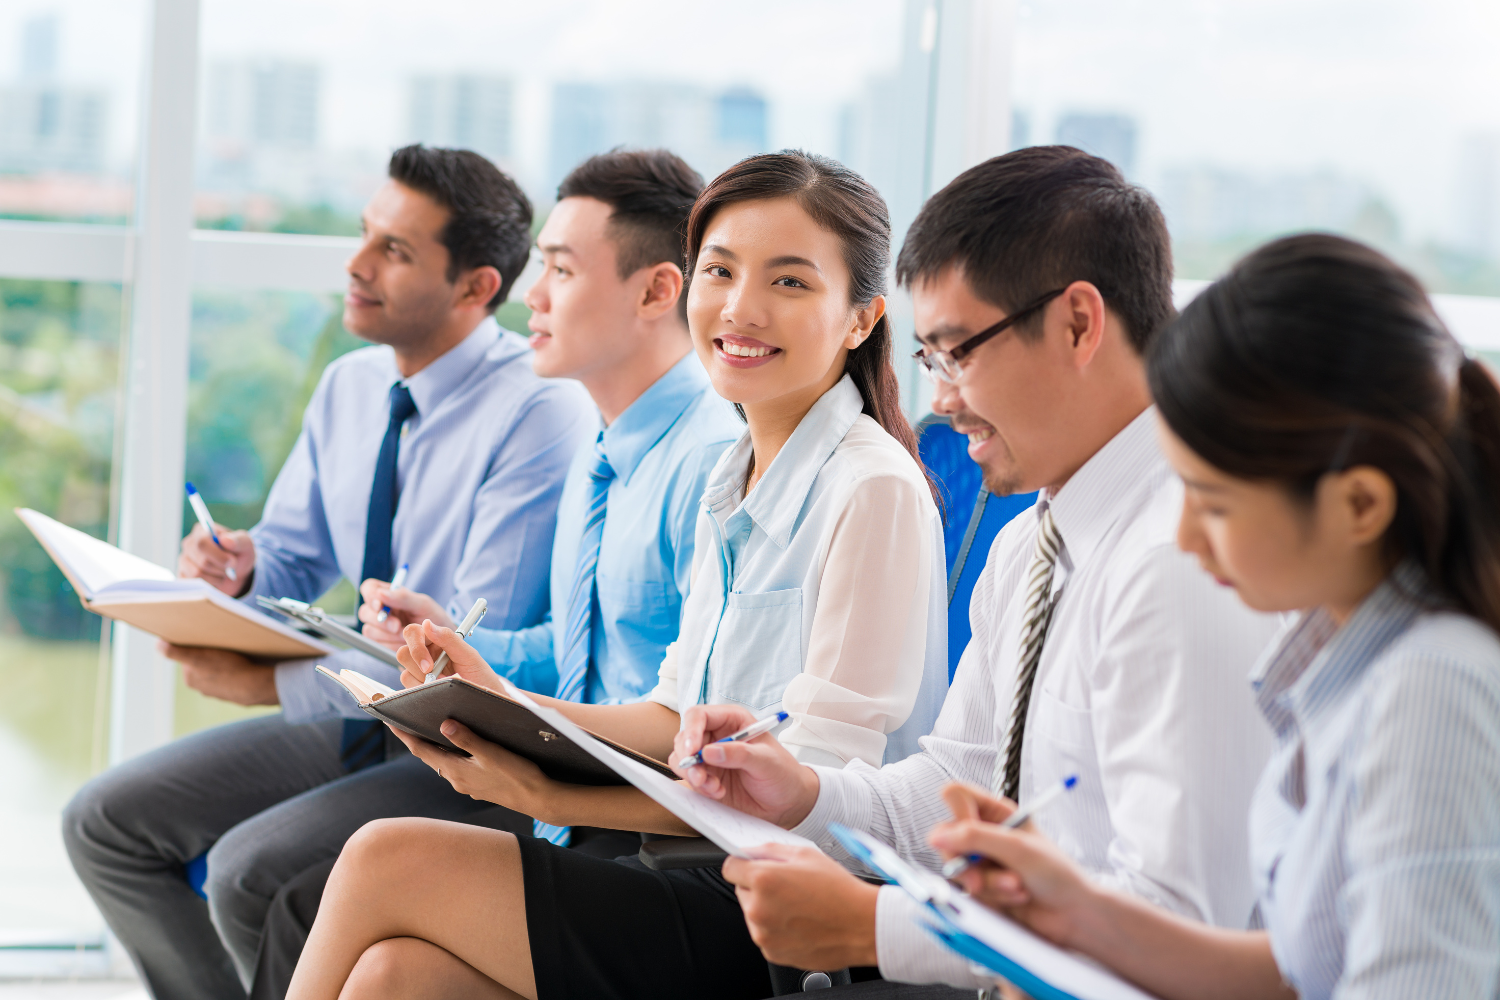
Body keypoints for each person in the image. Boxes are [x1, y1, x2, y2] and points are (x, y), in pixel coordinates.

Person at [284, 150, 950, 1000]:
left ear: (859, 320)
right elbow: (671, 711)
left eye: (789, 283)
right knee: (394, 975)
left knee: (388, 856)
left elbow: (814, 801)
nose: (741, 308)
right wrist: (502, 702)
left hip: (794, 909)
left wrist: (560, 800)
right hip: (695, 865)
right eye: (722, 270)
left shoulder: (872, 487)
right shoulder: (735, 471)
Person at [669, 146, 1283, 988]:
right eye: (930, 359)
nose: (943, 399)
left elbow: (1177, 926)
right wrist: (803, 796)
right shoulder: (1030, 543)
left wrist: (878, 928)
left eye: (957, 352)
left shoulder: (1182, 562)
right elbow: (956, 777)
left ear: (1077, 323)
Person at [61, 146, 594, 1000]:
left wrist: (277, 683)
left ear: (477, 288)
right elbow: (297, 555)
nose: (355, 265)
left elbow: (457, 651)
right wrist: (237, 569)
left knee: (247, 873)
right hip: (355, 713)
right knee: (105, 823)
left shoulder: (539, 411)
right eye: (364, 236)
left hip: (459, 745)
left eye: (396, 251)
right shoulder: (351, 384)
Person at [925, 234, 1500, 999]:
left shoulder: (1432, 685)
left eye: (1216, 502)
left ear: (1360, 503)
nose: (1189, 534)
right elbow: (1296, 972)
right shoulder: (1342, 658)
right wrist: (1077, 914)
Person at [355, 147, 743, 853]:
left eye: (560, 271)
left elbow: (701, 714)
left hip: (643, 823)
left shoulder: (709, 464)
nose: (531, 297)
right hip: (567, 790)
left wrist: (506, 707)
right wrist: (459, 642)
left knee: (329, 880)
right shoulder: (600, 452)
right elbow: (576, 651)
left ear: (658, 293)